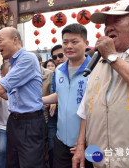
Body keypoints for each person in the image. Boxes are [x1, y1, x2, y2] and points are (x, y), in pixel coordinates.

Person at [72, 0, 129, 168]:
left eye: (116, 21)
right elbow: (86, 109)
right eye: (106, 23)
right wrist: (80, 147)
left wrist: (113, 57)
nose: (108, 28)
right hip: (101, 161)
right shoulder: (99, 61)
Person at [0, 27, 46, 168]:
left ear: (15, 39)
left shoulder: (27, 58)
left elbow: (0, 88)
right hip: (14, 121)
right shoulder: (13, 64)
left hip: (29, 123)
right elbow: (6, 95)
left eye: (0, 41)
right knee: (13, 163)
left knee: (30, 164)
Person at [42, 23, 92, 168]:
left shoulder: (95, 69)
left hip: (87, 143)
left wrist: (85, 142)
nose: (69, 46)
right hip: (61, 141)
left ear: (86, 43)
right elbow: (60, 94)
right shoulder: (59, 70)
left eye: (74, 42)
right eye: (65, 42)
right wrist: (39, 100)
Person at [47, 44, 68, 167]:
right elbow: (54, 90)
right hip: (54, 115)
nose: (58, 59)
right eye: (55, 57)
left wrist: (56, 100)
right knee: (52, 147)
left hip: (69, 117)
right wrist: (51, 101)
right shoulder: (57, 72)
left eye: (60, 55)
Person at [0, 62, 10, 168]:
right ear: (2, 75)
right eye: (9, 74)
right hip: (3, 127)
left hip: (19, 127)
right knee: (1, 149)